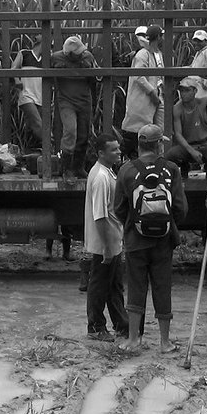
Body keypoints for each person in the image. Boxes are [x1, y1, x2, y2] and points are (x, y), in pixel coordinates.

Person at [113, 124, 187, 353]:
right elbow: (180, 208)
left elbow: (118, 208)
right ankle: (165, 342)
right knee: (162, 288)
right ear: (158, 144)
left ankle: (134, 339)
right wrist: (166, 224)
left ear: (139, 144)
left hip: (136, 240)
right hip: (163, 241)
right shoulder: (171, 169)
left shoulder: (126, 170)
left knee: (136, 288)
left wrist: (135, 223)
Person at [85, 133, 128, 341]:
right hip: (105, 243)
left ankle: (122, 324)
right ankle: (95, 326)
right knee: (100, 286)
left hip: (112, 240)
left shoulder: (107, 172)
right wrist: (107, 248)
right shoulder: (101, 177)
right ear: (101, 153)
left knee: (114, 286)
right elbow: (100, 216)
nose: (118, 152)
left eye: (118, 148)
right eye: (114, 149)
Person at [49, 36, 98, 183]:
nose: (80, 54)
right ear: (68, 53)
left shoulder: (87, 56)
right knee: (70, 131)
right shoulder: (56, 58)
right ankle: (67, 169)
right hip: (66, 101)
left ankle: (78, 167)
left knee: (83, 134)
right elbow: (49, 77)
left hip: (84, 100)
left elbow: (94, 78)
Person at [164, 76, 207, 177]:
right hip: (187, 147)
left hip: (205, 145)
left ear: (195, 91)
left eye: (187, 90)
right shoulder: (177, 108)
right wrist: (191, 151)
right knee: (170, 156)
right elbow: (178, 134)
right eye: (181, 91)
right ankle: (184, 166)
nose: (183, 94)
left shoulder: (202, 102)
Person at [122, 25, 165, 160]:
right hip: (144, 99)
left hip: (157, 98)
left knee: (157, 133)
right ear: (158, 37)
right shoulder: (143, 54)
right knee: (137, 131)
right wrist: (152, 93)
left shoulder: (157, 54)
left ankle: (157, 160)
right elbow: (139, 76)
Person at [11, 35, 44, 151]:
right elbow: (13, 68)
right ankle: (52, 147)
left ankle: (30, 152)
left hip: (40, 97)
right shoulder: (24, 54)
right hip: (26, 95)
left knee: (33, 127)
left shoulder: (46, 59)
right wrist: (17, 80)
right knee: (38, 123)